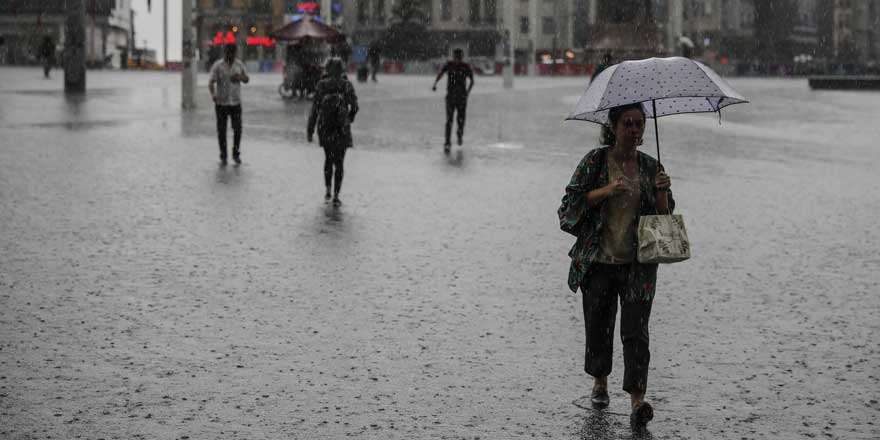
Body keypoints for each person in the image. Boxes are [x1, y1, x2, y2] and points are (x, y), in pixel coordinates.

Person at [557, 102, 674, 426]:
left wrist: (662, 192)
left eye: (639, 124)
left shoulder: (651, 167)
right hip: (598, 261)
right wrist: (608, 190)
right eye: (628, 124)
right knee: (599, 325)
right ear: (613, 127)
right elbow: (569, 206)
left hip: (638, 265)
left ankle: (638, 400)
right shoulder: (595, 161)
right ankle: (600, 380)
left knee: (636, 332)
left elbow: (663, 220)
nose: (635, 130)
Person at [307, 58, 359, 207]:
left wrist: (310, 130)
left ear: (327, 69)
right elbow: (355, 107)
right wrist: (349, 119)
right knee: (340, 162)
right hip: (341, 128)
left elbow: (314, 110)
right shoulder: (346, 85)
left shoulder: (322, 85)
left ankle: (328, 189)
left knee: (328, 159)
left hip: (325, 127)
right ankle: (336, 194)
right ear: (342, 69)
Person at [208, 44, 249, 165]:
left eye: (232, 53)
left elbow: (247, 79)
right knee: (221, 131)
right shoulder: (218, 66)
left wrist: (240, 77)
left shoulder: (239, 65)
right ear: (224, 52)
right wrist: (214, 95)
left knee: (237, 130)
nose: (230, 56)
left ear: (235, 53)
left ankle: (236, 154)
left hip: (236, 102)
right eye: (228, 53)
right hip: (221, 103)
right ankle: (223, 155)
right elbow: (211, 82)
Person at [432, 49, 474, 154]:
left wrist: (467, 93)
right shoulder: (449, 65)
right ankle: (447, 142)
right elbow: (441, 73)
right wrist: (435, 83)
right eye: (455, 57)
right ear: (453, 57)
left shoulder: (465, 67)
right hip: (450, 97)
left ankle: (459, 135)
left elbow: (472, 80)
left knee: (461, 120)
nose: (457, 60)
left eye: (459, 58)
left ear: (462, 58)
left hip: (462, 98)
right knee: (449, 120)